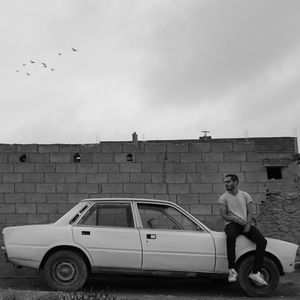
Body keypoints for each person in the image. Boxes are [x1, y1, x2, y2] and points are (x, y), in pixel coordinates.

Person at [219, 174, 268, 285]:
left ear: (235, 182)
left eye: (228, 182)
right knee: (230, 237)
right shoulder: (223, 197)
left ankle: (255, 272)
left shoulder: (245, 195)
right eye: (225, 182)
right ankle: (232, 270)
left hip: (245, 223)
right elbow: (223, 215)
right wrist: (237, 220)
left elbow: (250, 212)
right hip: (232, 224)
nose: (226, 184)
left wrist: (248, 223)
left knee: (262, 241)